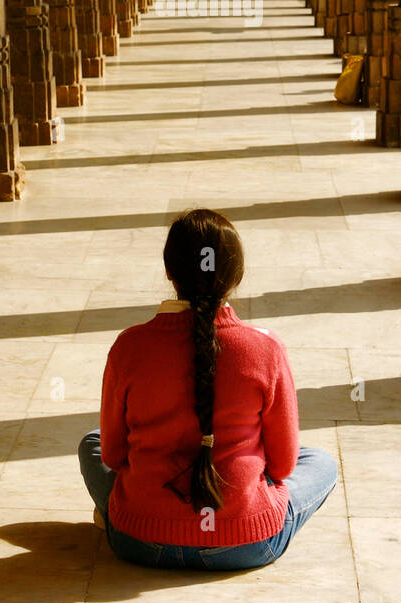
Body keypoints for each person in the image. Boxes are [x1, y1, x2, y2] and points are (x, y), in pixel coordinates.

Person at [78, 208, 338, 570]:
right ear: (236, 276)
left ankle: (124, 511)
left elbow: (112, 456)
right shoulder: (265, 348)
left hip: (139, 540)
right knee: (321, 462)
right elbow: (282, 466)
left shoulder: (130, 346)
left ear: (169, 272)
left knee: (92, 441)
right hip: (246, 544)